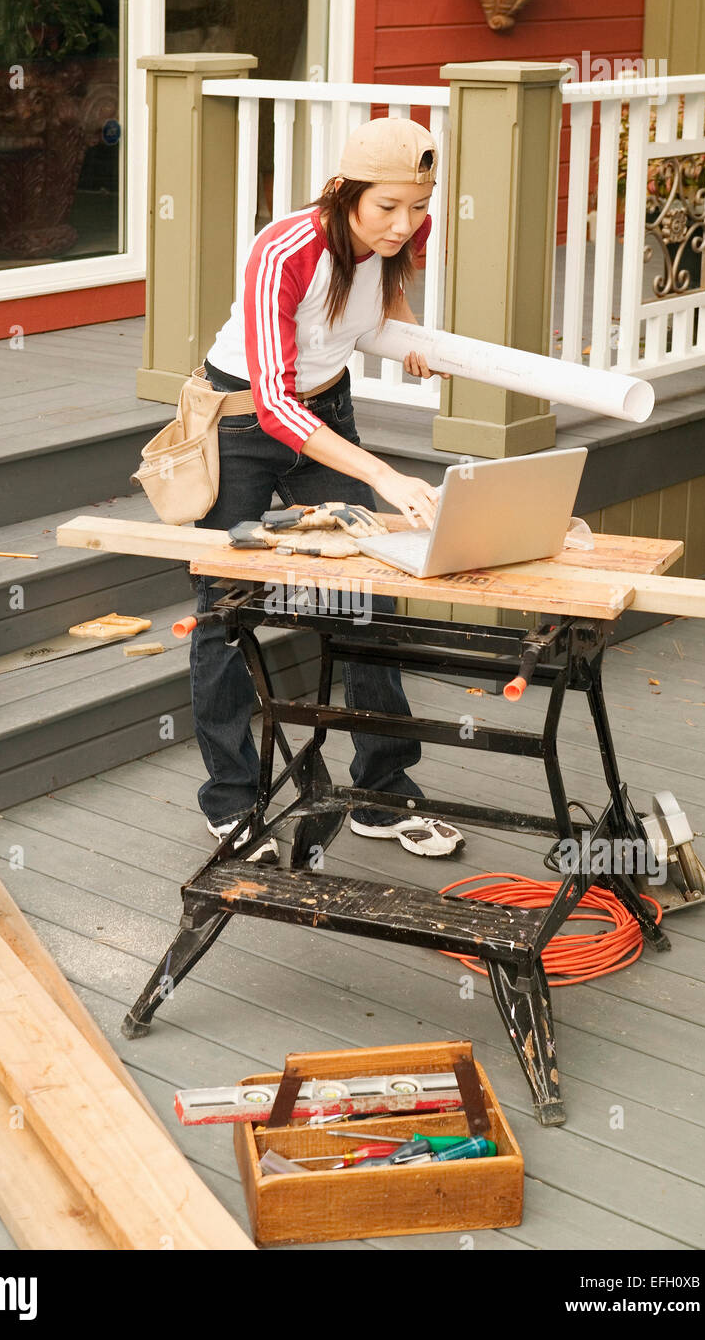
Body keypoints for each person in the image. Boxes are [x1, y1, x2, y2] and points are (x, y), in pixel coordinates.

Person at [191, 116, 465, 864]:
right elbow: (276, 401)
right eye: (387, 208)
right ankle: (233, 804)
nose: (405, 224)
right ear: (343, 192)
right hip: (244, 418)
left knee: (372, 591)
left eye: (418, 205)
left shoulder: (404, 229)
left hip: (327, 408)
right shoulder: (283, 249)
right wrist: (380, 472)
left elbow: (388, 293)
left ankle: (382, 791)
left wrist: (409, 338)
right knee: (225, 604)